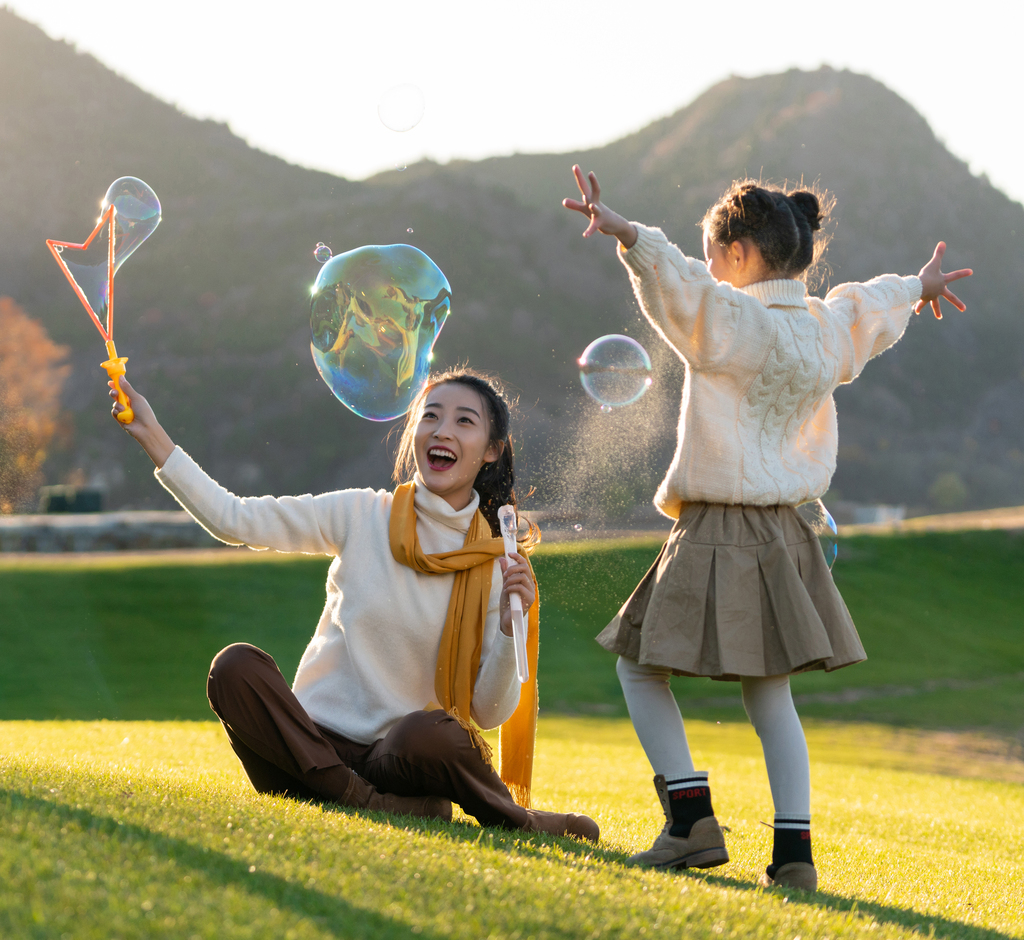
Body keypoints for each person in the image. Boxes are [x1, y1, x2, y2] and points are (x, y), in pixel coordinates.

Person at [563, 165, 971, 889]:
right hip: (787, 532)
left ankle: (689, 819)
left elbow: (679, 284)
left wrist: (627, 234)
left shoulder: (732, 322)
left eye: (715, 254)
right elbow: (868, 306)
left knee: (638, 665)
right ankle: (794, 858)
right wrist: (920, 285)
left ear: (742, 253)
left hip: (719, 522)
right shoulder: (823, 331)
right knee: (769, 696)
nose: (710, 268)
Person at [109, 367, 599, 842]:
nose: (440, 430)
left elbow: (488, 713)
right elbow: (233, 518)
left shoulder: (497, 565)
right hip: (306, 744)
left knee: (439, 734)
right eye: (430, 415)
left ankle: (493, 814)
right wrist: (152, 434)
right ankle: (369, 801)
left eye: (463, 420)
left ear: (491, 451)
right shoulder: (361, 513)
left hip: (398, 760)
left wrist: (511, 628)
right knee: (235, 667)